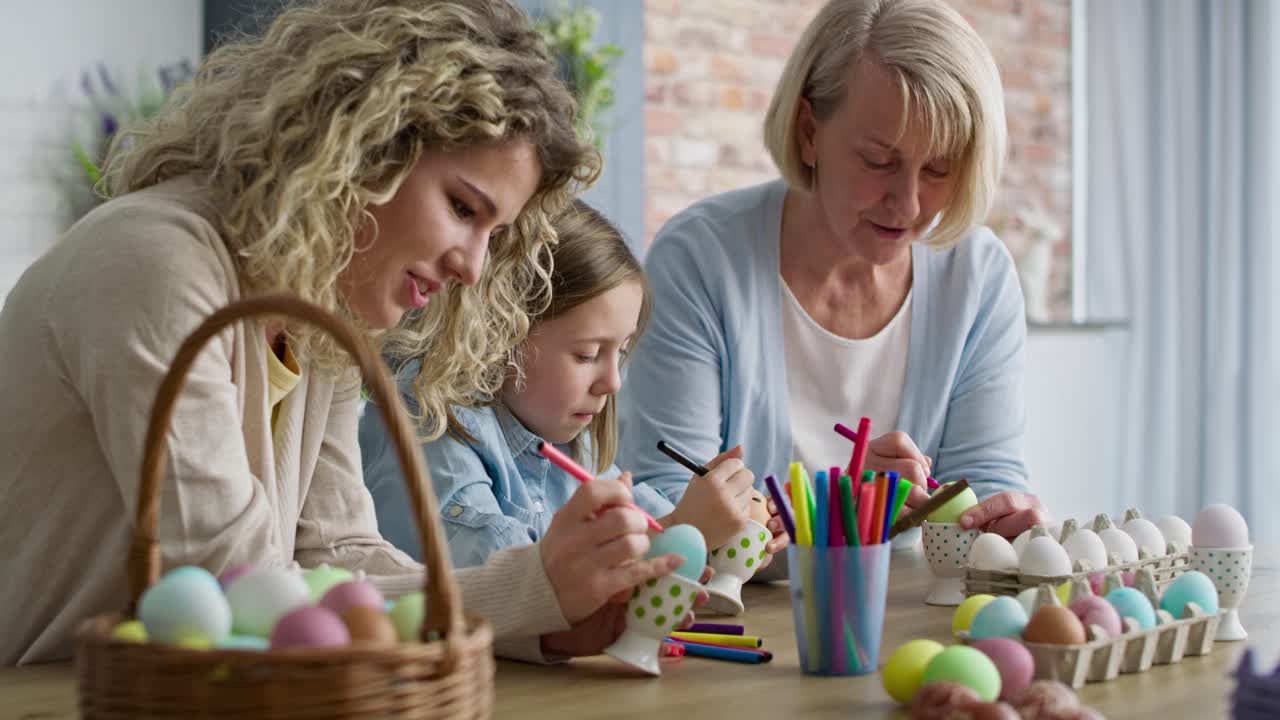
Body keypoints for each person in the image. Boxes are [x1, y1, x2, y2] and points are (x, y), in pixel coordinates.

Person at [0, 0, 680, 665]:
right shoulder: (154, 261)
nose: (473, 268)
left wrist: (546, 622)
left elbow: (340, 556)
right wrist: (531, 592)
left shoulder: (320, 309)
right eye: (461, 207)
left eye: (494, 234)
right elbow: (237, 586)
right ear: (358, 147)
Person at [618, 0, 1048, 551]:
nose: (909, 204)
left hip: (911, 616)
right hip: (733, 628)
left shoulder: (978, 275)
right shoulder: (702, 259)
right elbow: (670, 507)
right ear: (807, 132)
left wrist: (997, 524)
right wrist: (841, 511)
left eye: (939, 168)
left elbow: (984, 486)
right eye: (878, 161)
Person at [361, 200, 789, 569]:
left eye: (620, 353)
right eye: (587, 355)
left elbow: (642, 516)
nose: (612, 382)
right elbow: (501, 573)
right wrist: (682, 535)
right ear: (498, 335)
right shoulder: (430, 416)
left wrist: (728, 530)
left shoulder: (567, 441)